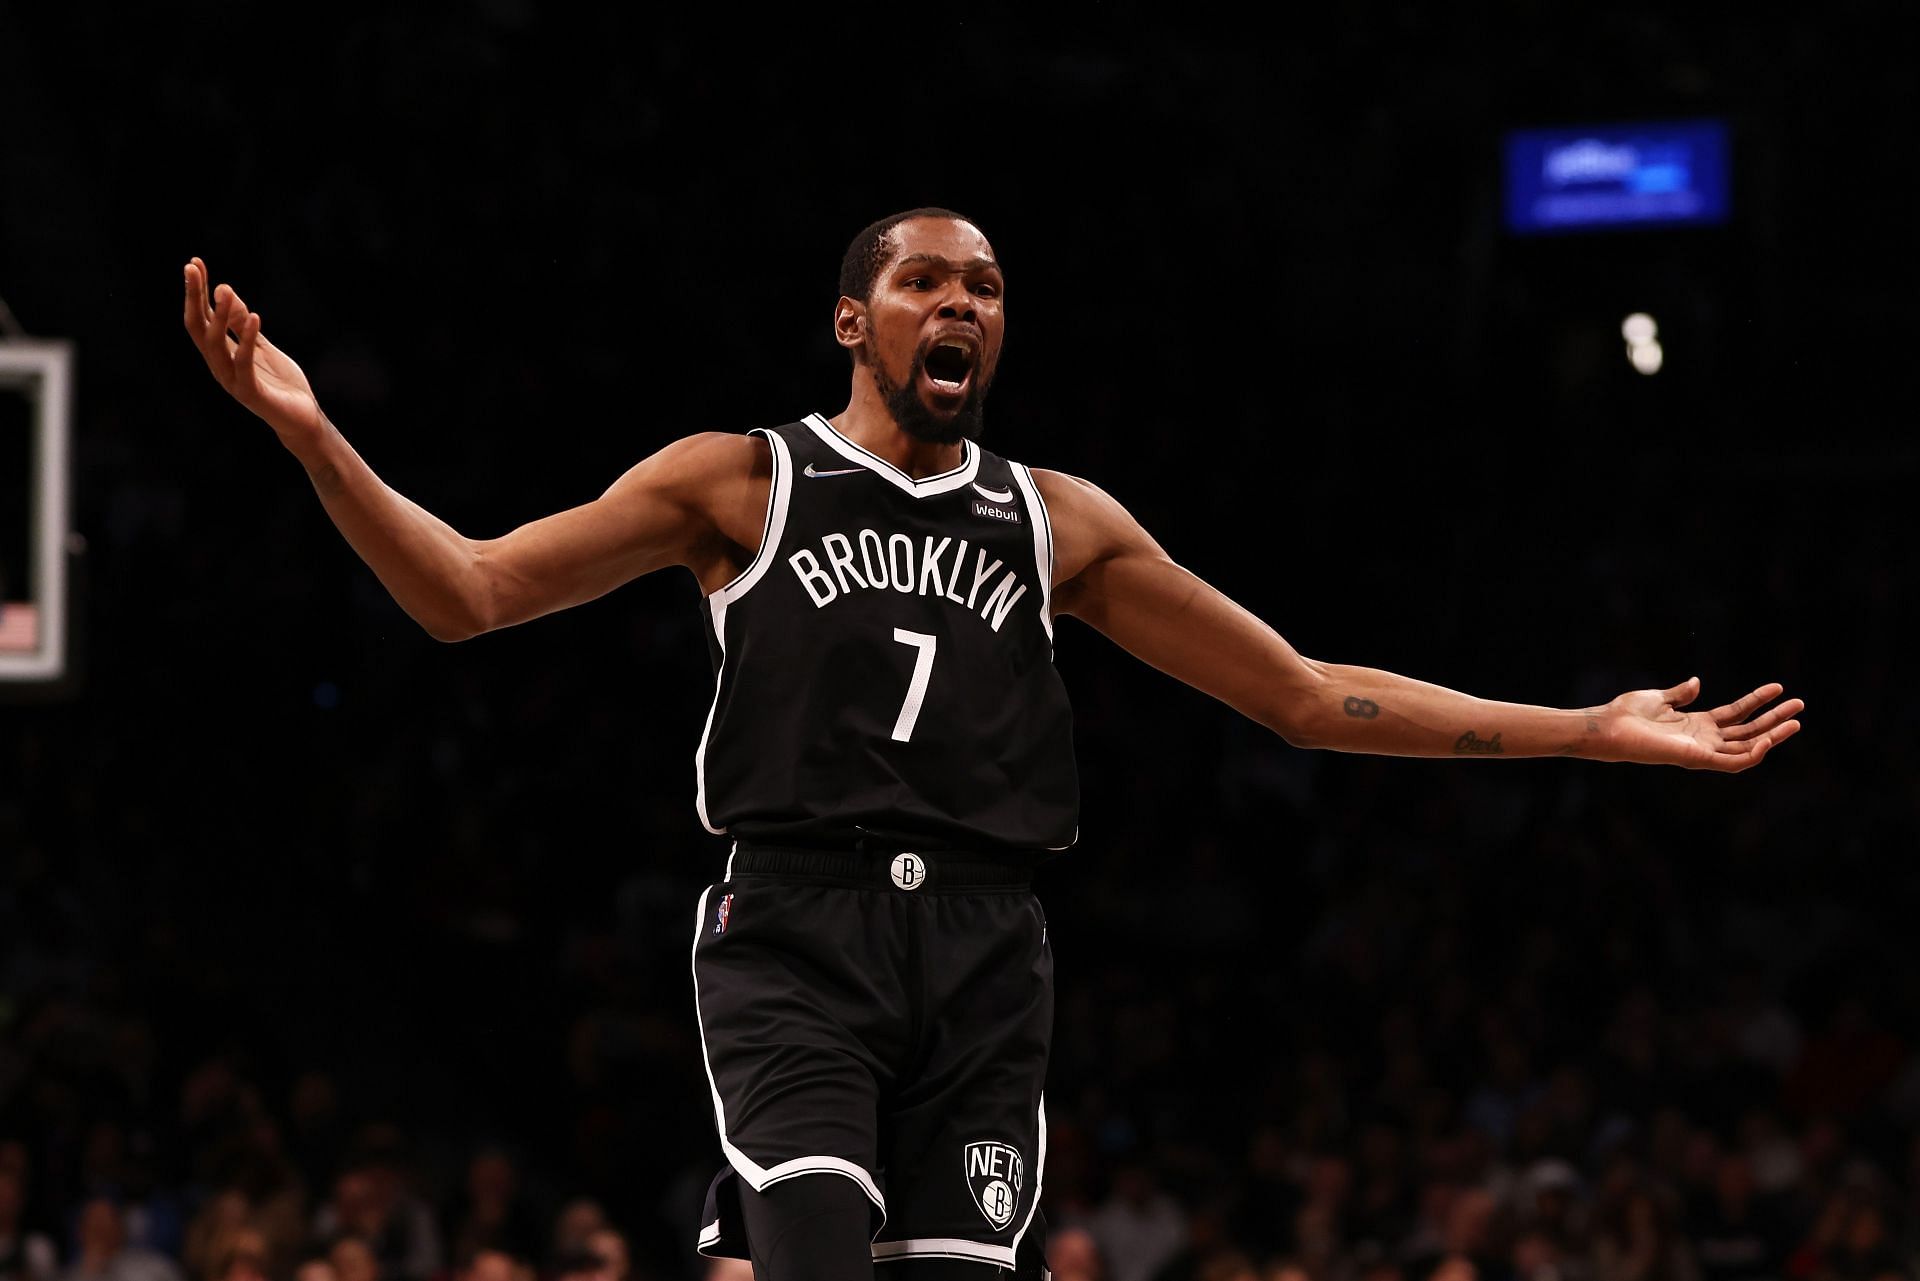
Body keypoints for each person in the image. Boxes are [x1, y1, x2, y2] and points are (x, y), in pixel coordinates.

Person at [182, 207, 1801, 1280]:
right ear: (852, 319)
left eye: (988, 289)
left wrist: (1586, 728)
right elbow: (462, 594)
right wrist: (315, 433)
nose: (962, 305)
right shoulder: (739, 481)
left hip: (985, 954)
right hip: (797, 933)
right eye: (925, 284)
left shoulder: (1061, 523)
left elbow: (1304, 693)